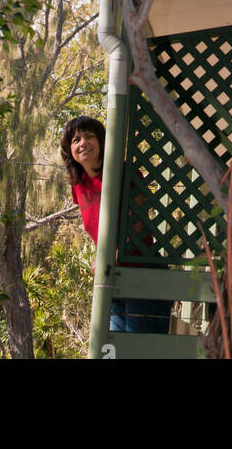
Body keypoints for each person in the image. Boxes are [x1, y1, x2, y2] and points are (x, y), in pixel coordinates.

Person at [60, 115, 171, 335]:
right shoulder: (79, 184)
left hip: (142, 272)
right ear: (69, 149)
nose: (83, 143)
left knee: (139, 351)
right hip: (113, 276)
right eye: (76, 140)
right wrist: (102, 257)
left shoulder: (124, 171)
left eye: (89, 137)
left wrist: (113, 254)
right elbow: (97, 227)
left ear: (102, 141)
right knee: (115, 348)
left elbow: (138, 222)